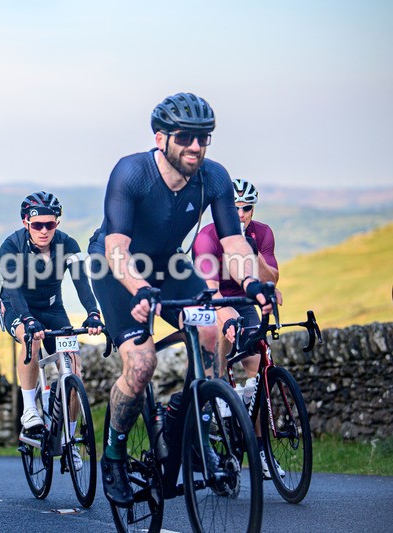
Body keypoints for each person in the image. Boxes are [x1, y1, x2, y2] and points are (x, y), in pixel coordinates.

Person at [87, 92, 279, 506]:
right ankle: (114, 455)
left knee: (217, 328)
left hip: (168, 267)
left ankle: (189, 420)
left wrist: (251, 285)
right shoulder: (131, 173)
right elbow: (116, 247)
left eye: (204, 138)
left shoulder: (215, 177)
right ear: (161, 138)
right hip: (114, 267)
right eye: (185, 137)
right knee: (141, 364)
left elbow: (235, 243)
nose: (196, 146)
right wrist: (139, 290)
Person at [0, 191, 104, 468]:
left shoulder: (68, 243)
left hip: (53, 308)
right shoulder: (11, 245)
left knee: (73, 365)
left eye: (50, 224)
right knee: (30, 340)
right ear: (26, 223)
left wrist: (93, 312)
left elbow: (81, 280)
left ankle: (69, 441)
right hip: (17, 306)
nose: (44, 230)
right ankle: (30, 411)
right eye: (37, 225)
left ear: (57, 223)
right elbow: (12, 288)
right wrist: (26, 319)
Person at [192, 177, 283, 478]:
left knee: (257, 368)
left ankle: (259, 451)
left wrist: (251, 250)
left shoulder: (263, 233)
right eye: (234, 208)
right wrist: (225, 316)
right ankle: (221, 396)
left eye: (247, 208)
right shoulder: (207, 237)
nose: (241, 214)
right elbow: (212, 290)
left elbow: (271, 279)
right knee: (221, 339)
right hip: (211, 298)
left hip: (244, 299)